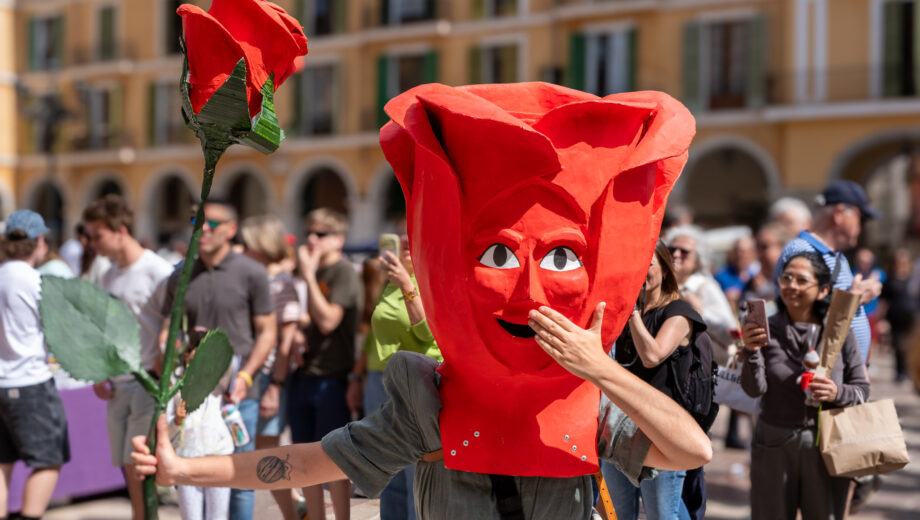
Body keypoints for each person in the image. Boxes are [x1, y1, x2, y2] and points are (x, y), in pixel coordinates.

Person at [132, 82, 712, 520]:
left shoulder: (585, 410)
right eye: (500, 259)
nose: (528, 293)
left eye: (559, 258)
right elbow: (305, 463)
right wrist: (184, 469)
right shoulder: (428, 406)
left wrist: (599, 368)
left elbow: (690, 450)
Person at [160, 199, 277, 520]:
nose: (204, 229)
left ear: (231, 229)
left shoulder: (251, 272)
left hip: (237, 397)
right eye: (197, 221)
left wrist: (247, 377)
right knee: (191, 474)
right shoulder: (180, 275)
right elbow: (168, 331)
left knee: (240, 478)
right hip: (192, 396)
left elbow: (267, 331)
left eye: (212, 223)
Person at [740, 252, 870, 519]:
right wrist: (751, 351)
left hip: (827, 444)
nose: (792, 286)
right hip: (774, 442)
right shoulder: (768, 329)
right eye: (786, 278)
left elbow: (861, 389)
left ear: (823, 290)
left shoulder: (838, 331)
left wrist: (837, 392)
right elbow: (754, 390)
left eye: (802, 279)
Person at [82, 194, 175, 520]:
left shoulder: (157, 270)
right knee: (128, 466)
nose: (93, 244)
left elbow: (175, 324)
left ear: (120, 230)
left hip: (147, 382)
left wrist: (162, 370)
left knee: (141, 466)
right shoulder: (108, 275)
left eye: (98, 235)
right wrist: (99, 372)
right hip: (119, 385)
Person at [607, 241, 707, 520]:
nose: (639, 271)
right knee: (618, 514)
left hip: (662, 434)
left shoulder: (678, 312)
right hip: (622, 430)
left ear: (664, 268)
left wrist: (632, 311)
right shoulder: (625, 316)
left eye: (647, 264)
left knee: (663, 514)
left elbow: (652, 355)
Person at [355, 232, 442, 520]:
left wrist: (407, 284)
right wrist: (357, 378)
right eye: (400, 239)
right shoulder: (388, 281)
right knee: (386, 470)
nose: (405, 244)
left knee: (414, 471)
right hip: (379, 382)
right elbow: (373, 336)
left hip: (414, 384)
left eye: (412, 238)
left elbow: (428, 334)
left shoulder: (432, 278)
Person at [0, 210, 70, 520]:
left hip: (1, 382)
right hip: (30, 382)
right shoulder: (37, 281)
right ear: (39, 242)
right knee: (48, 460)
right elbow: (60, 332)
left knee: (2, 462)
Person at [292, 208, 362, 520]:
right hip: (306, 374)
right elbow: (312, 319)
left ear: (338, 239)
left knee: (332, 459)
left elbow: (329, 321)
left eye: (320, 234)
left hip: (333, 378)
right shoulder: (318, 270)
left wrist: (307, 274)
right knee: (303, 458)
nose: (311, 239)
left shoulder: (342, 270)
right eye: (309, 231)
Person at [775, 180, 882, 365]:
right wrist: (854, 298)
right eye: (861, 218)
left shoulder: (836, 255)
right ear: (839, 214)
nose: (862, 226)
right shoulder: (803, 251)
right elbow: (799, 315)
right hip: (816, 378)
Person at [238, 215, 300, 520]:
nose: (242, 248)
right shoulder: (252, 276)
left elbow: (286, 340)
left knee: (267, 457)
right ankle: (295, 510)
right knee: (254, 456)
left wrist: (275, 386)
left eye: (247, 243)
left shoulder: (280, 281)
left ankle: (293, 513)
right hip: (247, 375)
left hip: (266, 378)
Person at [166, 332, 235, 520]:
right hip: (187, 459)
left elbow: (232, 362)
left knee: (218, 516)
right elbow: (167, 425)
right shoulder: (175, 383)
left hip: (218, 455)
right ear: (187, 355)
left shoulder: (218, 380)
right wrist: (177, 421)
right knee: (190, 516)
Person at [663, 225, 738, 365]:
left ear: (697, 261)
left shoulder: (705, 287)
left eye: (684, 251)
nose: (676, 254)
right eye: (672, 249)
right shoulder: (661, 286)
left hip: (701, 369)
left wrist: (700, 313)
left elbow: (731, 333)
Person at [880, 248, 915, 383]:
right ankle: (900, 372)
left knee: (910, 345)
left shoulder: (913, 278)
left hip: (912, 315)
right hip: (895, 316)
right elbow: (884, 301)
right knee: (898, 345)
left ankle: (910, 371)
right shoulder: (890, 279)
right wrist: (881, 319)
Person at [715, 235, 759, 310]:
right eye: (737, 251)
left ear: (753, 253)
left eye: (744, 252)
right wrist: (725, 298)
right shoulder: (720, 276)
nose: (740, 255)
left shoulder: (758, 273)